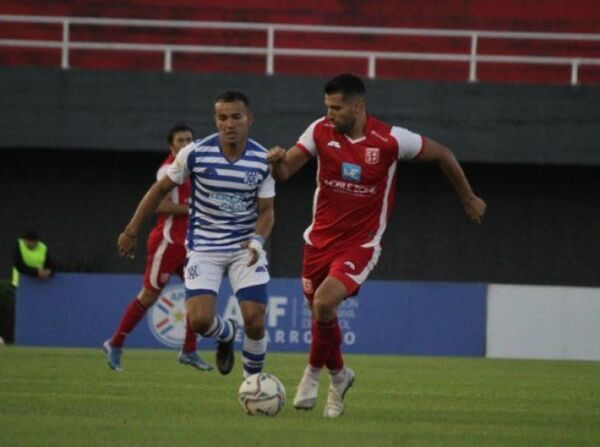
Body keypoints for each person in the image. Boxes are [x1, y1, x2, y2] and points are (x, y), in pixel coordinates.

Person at [267, 73, 487, 418]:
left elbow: (443, 153)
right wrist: (276, 161)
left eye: (336, 108)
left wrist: (468, 197)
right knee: (320, 313)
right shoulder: (319, 131)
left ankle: (311, 375)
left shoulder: (390, 140)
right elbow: (284, 173)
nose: (329, 115)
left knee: (324, 303)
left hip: (361, 244)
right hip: (318, 241)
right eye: (326, 107)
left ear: (358, 106)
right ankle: (340, 378)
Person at [116, 91, 275, 378]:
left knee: (254, 319)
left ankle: (253, 383)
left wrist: (257, 240)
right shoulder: (195, 153)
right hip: (204, 247)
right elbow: (159, 190)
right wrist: (131, 229)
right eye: (223, 117)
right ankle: (225, 333)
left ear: (249, 119)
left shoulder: (262, 159)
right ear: (215, 121)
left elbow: (267, 211)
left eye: (236, 117)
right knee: (200, 321)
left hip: (244, 247)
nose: (229, 124)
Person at [103, 124, 212, 372]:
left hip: (190, 245)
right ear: (171, 145)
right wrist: (194, 208)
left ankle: (189, 350)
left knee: (199, 296)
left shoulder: (195, 166)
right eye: (180, 140)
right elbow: (161, 205)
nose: (185, 143)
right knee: (149, 296)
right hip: (167, 242)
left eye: (189, 139)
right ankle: (116, 342)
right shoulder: (168, 169)